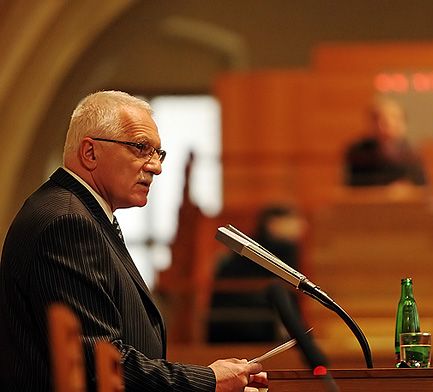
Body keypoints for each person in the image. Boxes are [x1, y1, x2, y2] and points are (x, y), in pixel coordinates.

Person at [0, 91, 267, 391]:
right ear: (90, 153)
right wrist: (208, 380)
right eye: (141, 148)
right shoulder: (67, 222)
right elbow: (102, 364)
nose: (156, 166)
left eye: (158, 153)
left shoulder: (80, 213)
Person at [208, 204, 305, 343]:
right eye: (294, 219)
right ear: (273, 223)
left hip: (255, 316)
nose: (301, 225)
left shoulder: (286, 249)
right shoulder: (253, 250)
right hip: (244, 320)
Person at [344, 95, 427, 187]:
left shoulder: (413, 153)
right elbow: (352, 188)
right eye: (380, 119)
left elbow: (422, 188)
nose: (388, 123)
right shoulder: (358, 152)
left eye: (395, 118)